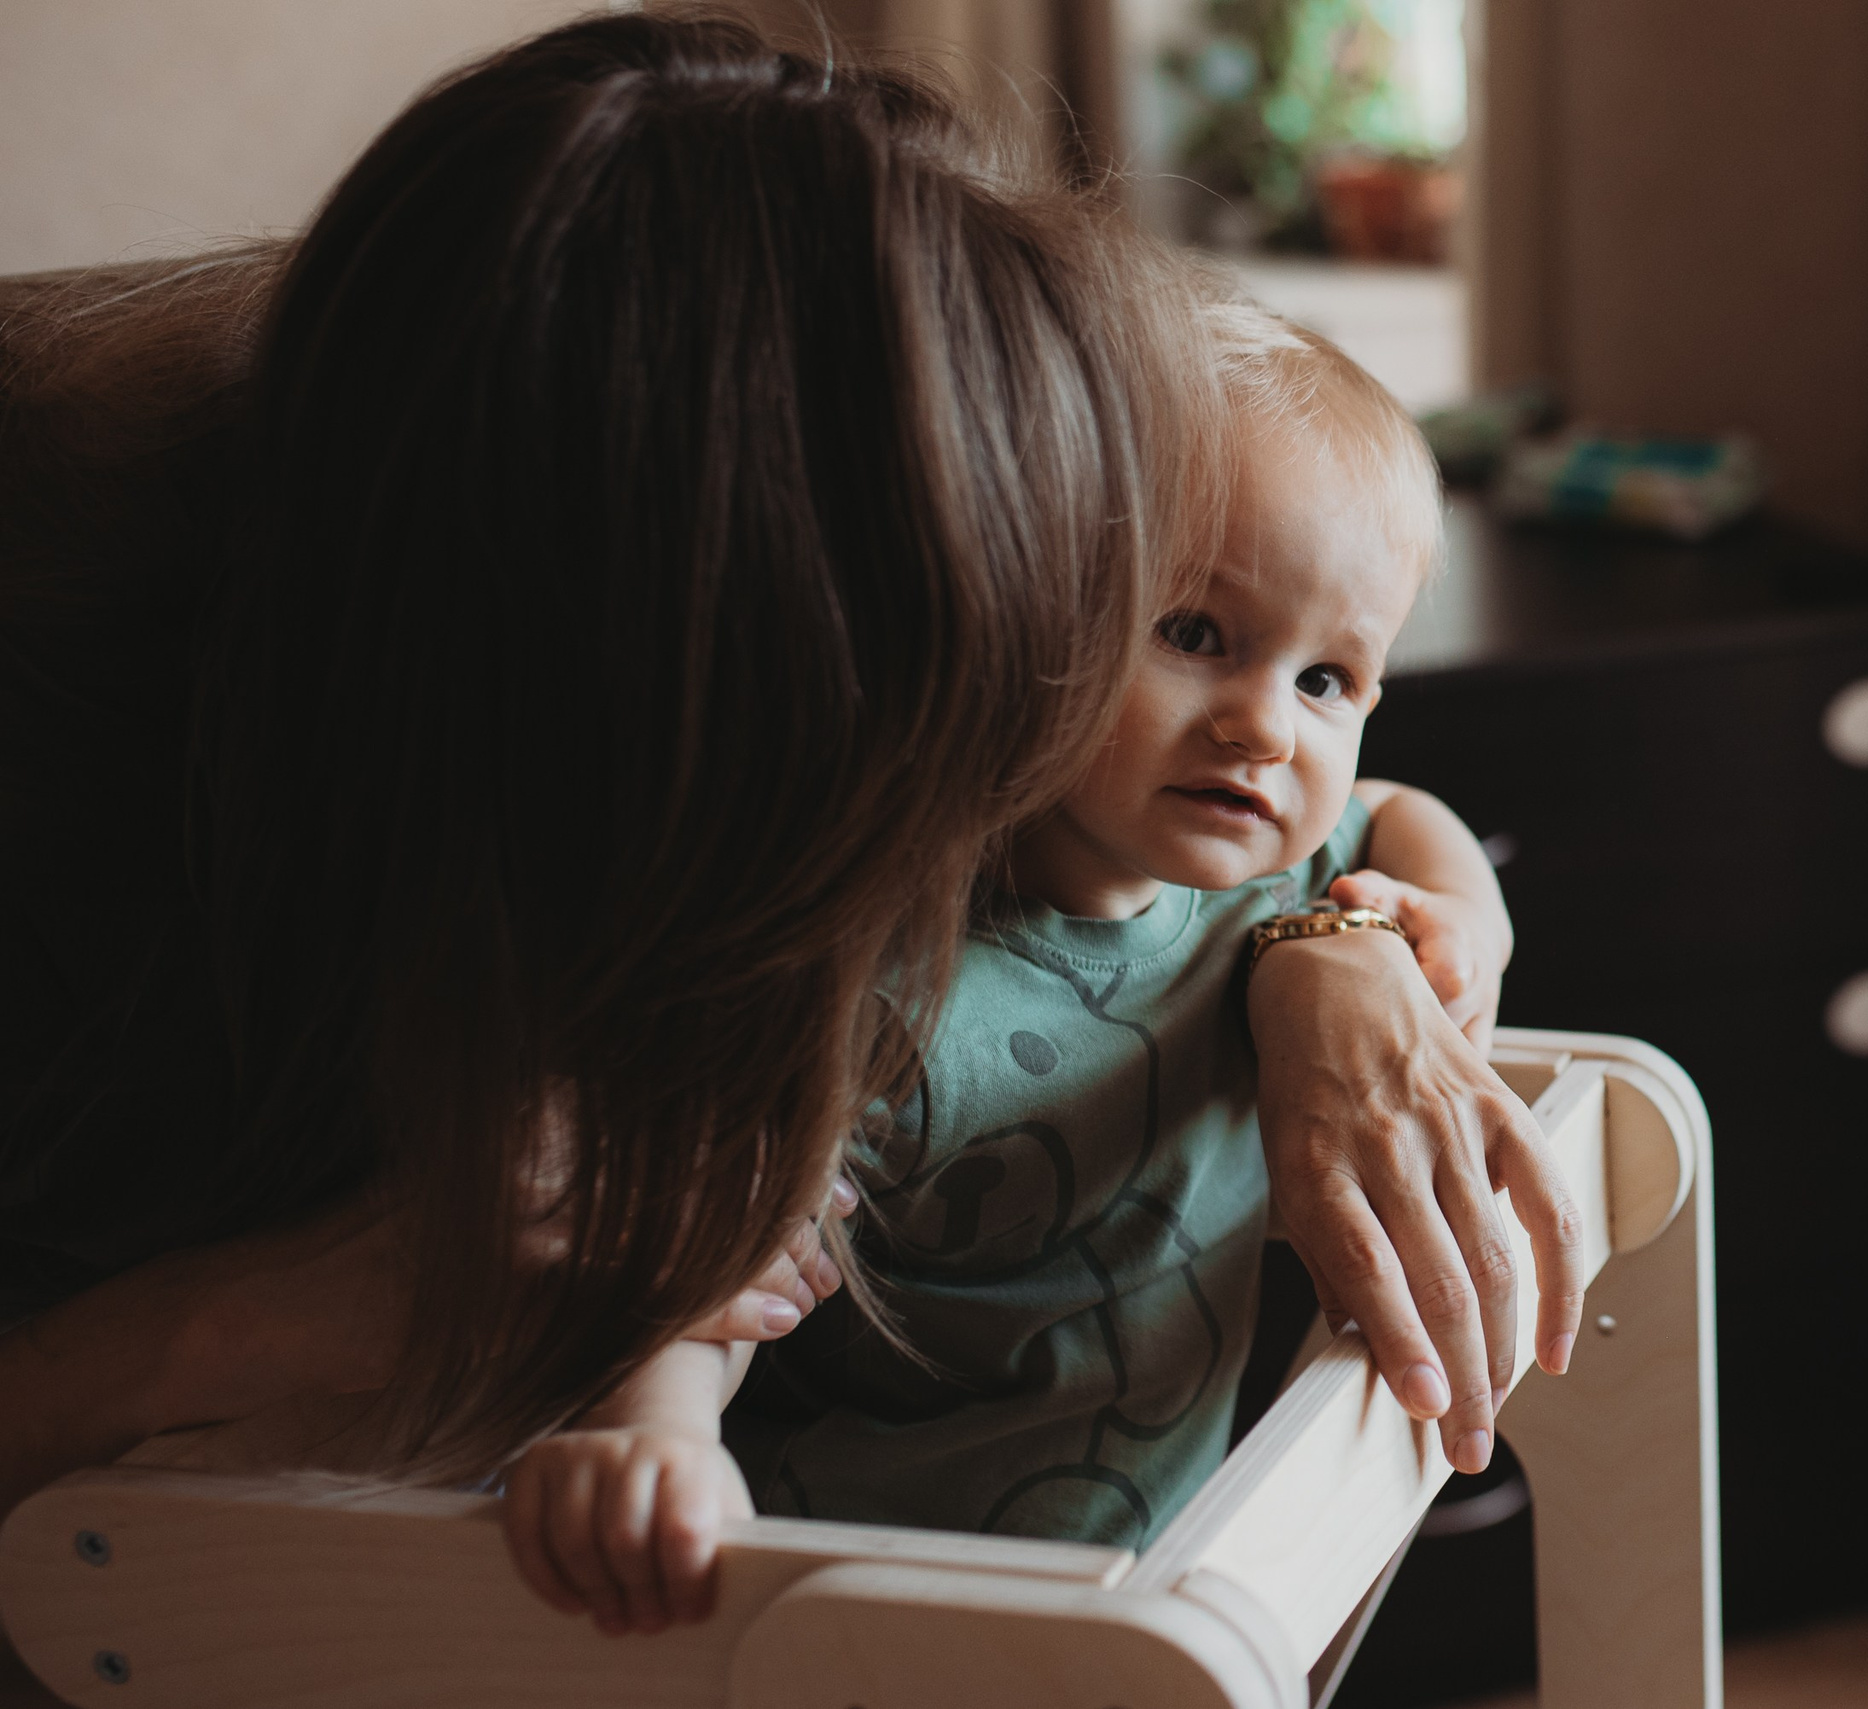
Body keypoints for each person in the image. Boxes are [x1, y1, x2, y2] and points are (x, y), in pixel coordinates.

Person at [0, 10, 1576, 1556]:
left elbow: (1160, 866)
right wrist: (238, 1320)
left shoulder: (819, 761)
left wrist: (1325, 953)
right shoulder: (96, 746)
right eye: (1176, 640)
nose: (997, 796)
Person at [500, 308, 1563, 1634]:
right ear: (1029, 601)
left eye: (1330, 677)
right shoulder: (888, 978)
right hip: (869, 1610)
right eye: (1194, 631)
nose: (1263, 725)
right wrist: (652, 1437)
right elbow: (729, 1258)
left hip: (1158, 1585)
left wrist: (1466, 910)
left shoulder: (1264, 878)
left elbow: (1398, 809)